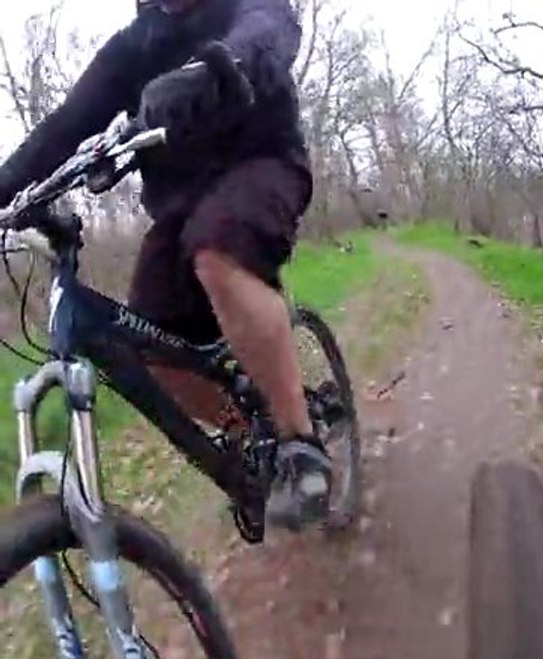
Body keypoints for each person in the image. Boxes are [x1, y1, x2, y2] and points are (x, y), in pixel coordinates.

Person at [0, 0, 332, 533]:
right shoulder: (137, 44)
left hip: (262, 165)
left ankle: (300, 443)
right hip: (180, 204)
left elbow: (269, 35)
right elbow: (61, 130)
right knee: (144, 345)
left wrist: (217, 70)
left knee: (217, 248)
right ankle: (250, 434)